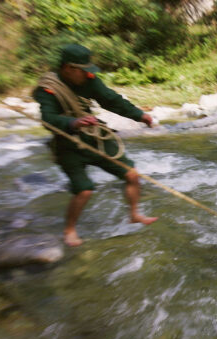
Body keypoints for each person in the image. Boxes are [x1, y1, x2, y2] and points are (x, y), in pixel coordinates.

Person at [33, 44, 157, 247]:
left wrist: (141, 116)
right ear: (67, 68)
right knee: (84, 190)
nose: (87, 74)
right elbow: (48, 119)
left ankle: (134, 214)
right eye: (82, 70)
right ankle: (69, 230)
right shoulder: (48, 89)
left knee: (132, 175)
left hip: (95, 137)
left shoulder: (88, 81)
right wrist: (73, 123)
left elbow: (111, 100)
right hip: (68, 144)